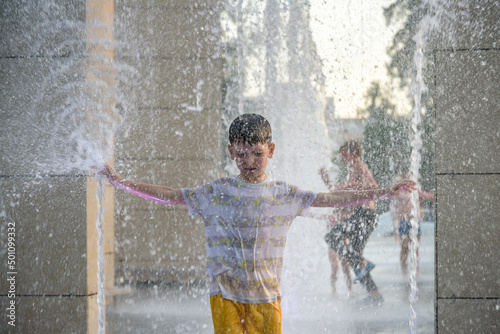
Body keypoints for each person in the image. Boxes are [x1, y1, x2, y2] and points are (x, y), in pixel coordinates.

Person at [98, 114, 415, 333]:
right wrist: (123, 183)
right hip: (225, 296)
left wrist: (385, 192)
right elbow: (172, 196)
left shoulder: (284, 194)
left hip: (267, 298)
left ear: (271, 150)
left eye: (257, 154)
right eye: (241, 154)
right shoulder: (217, 191)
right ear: (231, 152)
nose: (248, 162)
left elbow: (329, 199)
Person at [323, 140, 383, 304]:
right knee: (354, 257)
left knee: (332, 237)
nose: (342, 158)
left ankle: (363, 262)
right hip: (362, 215)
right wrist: (327, 179)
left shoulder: (360, 167)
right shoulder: (354, 170)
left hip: (366, 215)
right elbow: (336, 192)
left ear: (353, 154)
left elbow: (374, 187)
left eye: (344, 154)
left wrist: (353, 184)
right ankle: (374, 293)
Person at [390, 169, 434, 278]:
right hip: (404, 220)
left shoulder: (415, 187)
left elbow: (424, 195)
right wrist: (395, 222)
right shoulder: (398, 190)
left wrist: (434, 195)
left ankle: (416, 272)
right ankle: (404, 272)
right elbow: (393, 207)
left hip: (414, 220)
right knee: (404, 247)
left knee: (415, 248)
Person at [319, 167, 353, 295]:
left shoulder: (346, 213)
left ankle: (350, 290)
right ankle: (334, 291)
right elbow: (331, 190)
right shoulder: (332, 215)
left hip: (344, 241)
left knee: (346, 267)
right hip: (333, 244)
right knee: (335, 267)